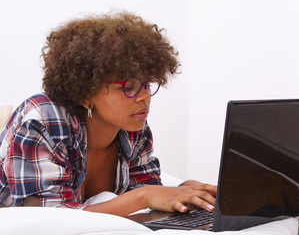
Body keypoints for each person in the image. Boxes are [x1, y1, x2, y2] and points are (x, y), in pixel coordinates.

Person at [0, 12, 216, 216]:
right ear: (85, 94)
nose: (144, 97)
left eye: (146, 85)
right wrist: (143, 197)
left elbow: (148, 190)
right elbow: (49, 219)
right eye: (128, 86)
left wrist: (186, 193)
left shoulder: (134, 128)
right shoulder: (43, 122)